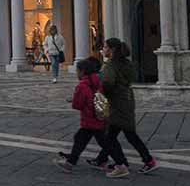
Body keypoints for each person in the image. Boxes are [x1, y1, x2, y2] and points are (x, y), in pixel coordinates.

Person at [89, 38, 159, 176]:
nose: (103, 49)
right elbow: (132, 76)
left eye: (105, 47)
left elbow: (108, 82)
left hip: (117, 103)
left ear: (112, 49)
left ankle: (144, 161)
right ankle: (102, 160)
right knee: (114, 134)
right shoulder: (126, 63)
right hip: (126, 99)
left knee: (121, 135)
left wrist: (102, 90)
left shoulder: (110, 65)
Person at [54, 58, 126, 175]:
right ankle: (70, 162)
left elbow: (78, 104)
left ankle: (121, 164)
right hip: (99, 116)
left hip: (89, 119)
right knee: (81, 139)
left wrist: (73, 100)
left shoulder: (82, 85)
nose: (77, 73)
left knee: (100, 142)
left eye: (77, 71)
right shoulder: (97, 81)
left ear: (82, 71)